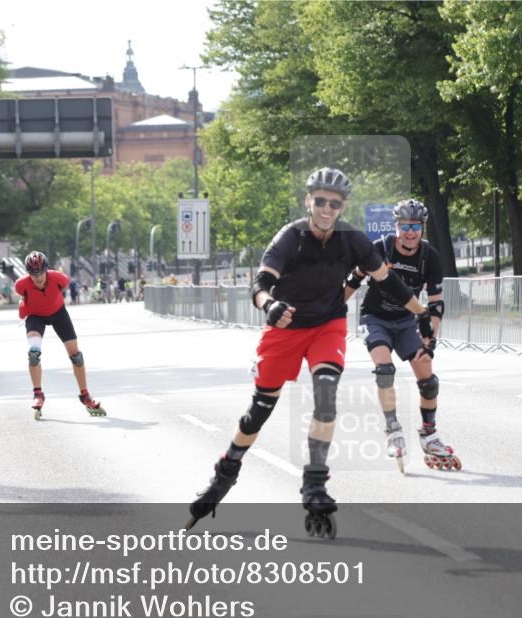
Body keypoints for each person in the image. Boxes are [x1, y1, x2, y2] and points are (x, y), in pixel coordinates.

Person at [186, 168, 434, 537]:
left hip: (327, 325)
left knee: (326, 395)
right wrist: (269, 305)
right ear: (308, 201)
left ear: (342, 206)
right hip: (285, 328)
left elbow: (388, 280)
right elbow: (261, 283)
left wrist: (422, 313)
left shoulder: (352, 239)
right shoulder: (291, 237)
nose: (326, 209)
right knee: (259, 412)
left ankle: (314, 483)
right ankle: (226, 472)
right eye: (319, 201)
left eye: (334, 204)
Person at [344, 199, 459, 472]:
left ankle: (429, 435)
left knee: (428, 378)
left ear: (422, 228)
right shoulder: (380, 249)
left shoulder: (430, 257)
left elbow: (436, 304)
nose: (410, 232)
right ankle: (393, 429)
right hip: (375, 318)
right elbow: (353, 280)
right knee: (385, 370)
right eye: (404, 226)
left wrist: (430, 342)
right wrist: (333, 308)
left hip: (407, 322)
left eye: (415, 226)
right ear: (395, 226)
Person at [15, 251, 106, 419]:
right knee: (33, 354)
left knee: (76, 356)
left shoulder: (59, 279)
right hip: (36, 317)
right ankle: (38, 394)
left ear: (46, 270)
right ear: (28, 273)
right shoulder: (21, 285)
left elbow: (61, 291)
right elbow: (23, 298)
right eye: (34, 274)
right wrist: (23, 305)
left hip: (58, 314)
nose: (39, 277)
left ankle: (85, 396)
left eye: (41, 273)